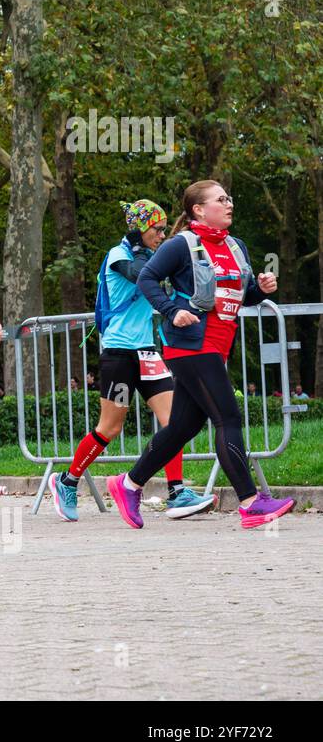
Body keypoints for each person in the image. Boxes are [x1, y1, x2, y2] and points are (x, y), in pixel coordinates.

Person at [107, 180, 294, 530]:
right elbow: (147, 278)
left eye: (229, 197)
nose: (229, 204)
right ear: (198, 209)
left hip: (216, 347)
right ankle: (251, 503)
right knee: (228, 418)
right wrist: (170, 310)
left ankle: (128, 484)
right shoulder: (181, 245)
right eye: (220, 199)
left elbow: (241, 297)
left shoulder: (236, 247)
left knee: (182, 426)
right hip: (190, 345)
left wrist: (259, 290)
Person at [47, 200, 211, 522]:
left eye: (165, 229)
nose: (162, 235)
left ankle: (176, 492)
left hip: (148, 351)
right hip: (120, 353)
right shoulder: (118, 255)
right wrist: (147, 252)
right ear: (138, 229)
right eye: (156, 229)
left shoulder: (152, 255)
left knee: (173, 422)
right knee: (110, 427)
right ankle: (67, 481)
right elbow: (140, 277)